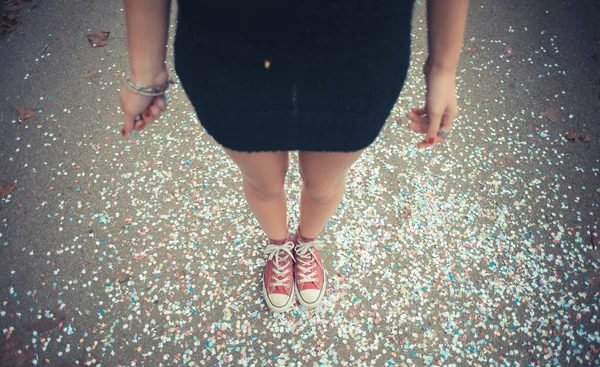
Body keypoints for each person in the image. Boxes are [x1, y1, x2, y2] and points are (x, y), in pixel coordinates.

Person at [119, 0, 469, 313]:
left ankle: (306, 243)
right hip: (229, 46)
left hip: (359, 48)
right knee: (264, 182)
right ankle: (279, 246)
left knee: (322, 184)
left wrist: (443, 66)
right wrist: (145, 71)